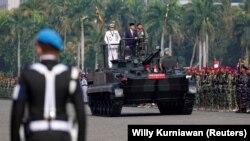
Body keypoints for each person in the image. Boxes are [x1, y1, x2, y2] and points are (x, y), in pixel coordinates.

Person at [10, 28, 86, 141]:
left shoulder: (28, 74)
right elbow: (80, 112)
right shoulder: (70, 75)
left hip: (35, 134)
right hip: (62, 134)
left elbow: (17, 112)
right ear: (59, 50)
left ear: (39, 48)